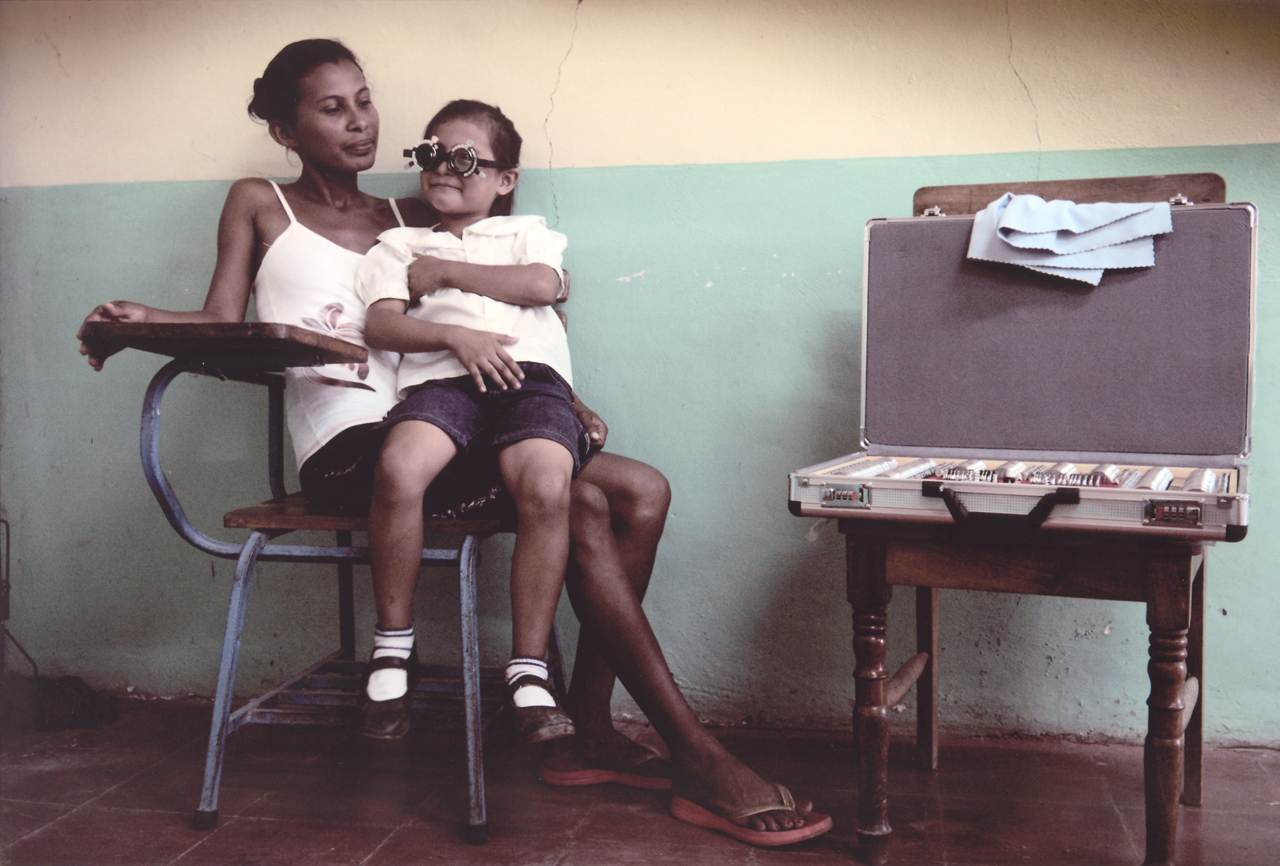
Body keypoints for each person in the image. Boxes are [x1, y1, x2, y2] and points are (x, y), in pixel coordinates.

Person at [76, 39, 831, 847]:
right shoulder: (261, 201)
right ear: (285, 130)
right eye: (332, 109)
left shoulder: (410, 218)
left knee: (643, 491)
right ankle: (694, 755)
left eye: (364, 101)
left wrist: (565, 397)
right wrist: (141, 325)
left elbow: (500, 312)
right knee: (580, 503)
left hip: (455, 419)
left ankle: (589, 729)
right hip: (354, 448)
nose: (359, 122)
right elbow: (222, 319)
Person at [353, 99, 581, 745]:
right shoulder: (399, 245)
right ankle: (393, 648)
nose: (443, 168)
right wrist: (455, 335)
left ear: (505, 179)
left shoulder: (528, 233)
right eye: (431, 154)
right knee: (399, 468)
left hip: (527, 382)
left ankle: (528, 669)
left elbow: (542, 286)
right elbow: (381, 325)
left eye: (463, 159)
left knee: (547, 486)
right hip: (443, 384)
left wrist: (447, 272)